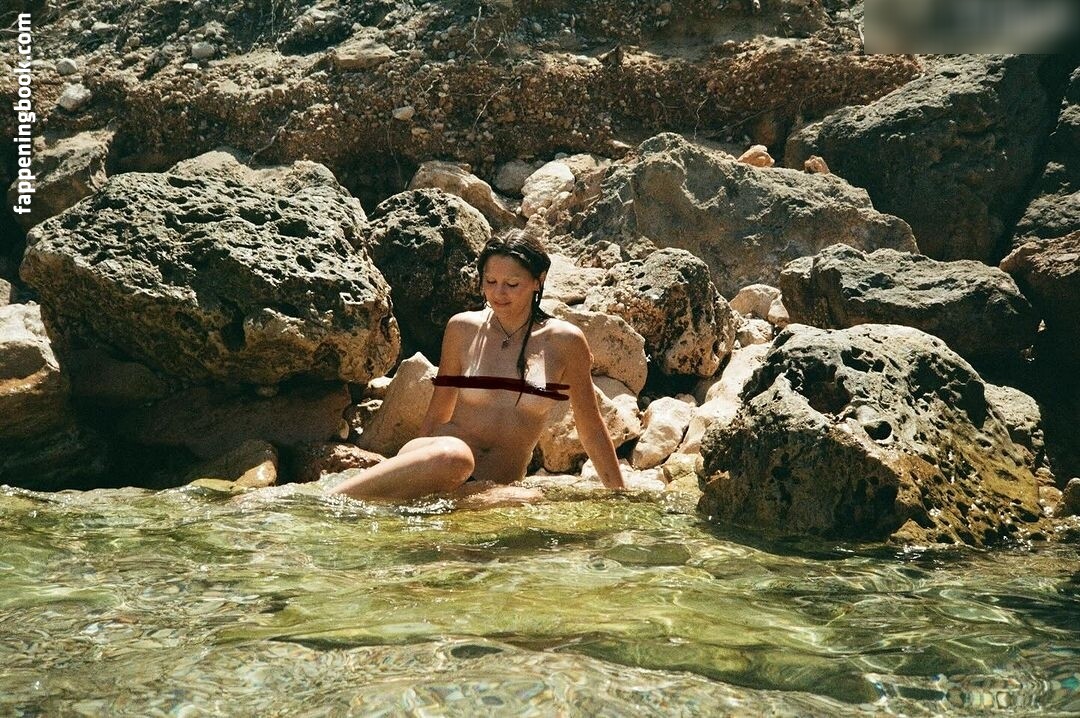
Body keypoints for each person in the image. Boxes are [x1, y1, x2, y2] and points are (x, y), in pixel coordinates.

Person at [330, 230, 625, 502]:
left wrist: (620, 496)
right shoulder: (463, 329)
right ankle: (330, 500)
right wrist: (414, 470)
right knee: (457, 457)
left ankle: (438, 502)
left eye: (512, 284)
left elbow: (590, 427)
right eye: (490, 282)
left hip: (492, 484)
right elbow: (437, 415)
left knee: (527, 500)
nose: (498, 294)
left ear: (538, 280)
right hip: (441, 458)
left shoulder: (565, 341)